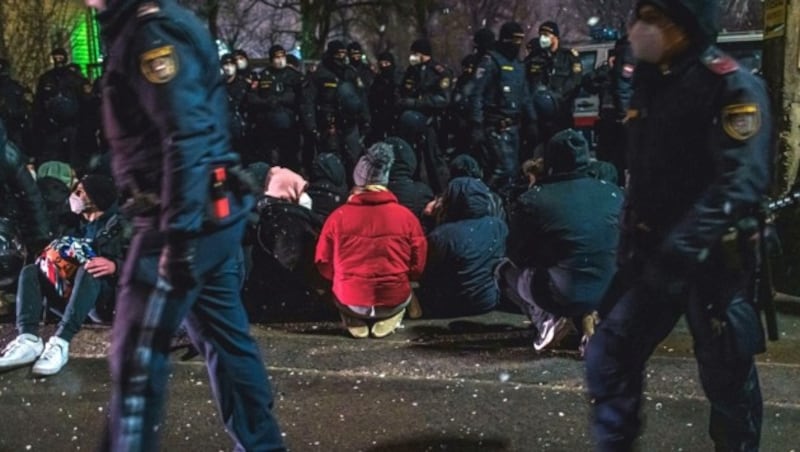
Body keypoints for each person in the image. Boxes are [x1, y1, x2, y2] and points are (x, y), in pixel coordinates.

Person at [89, 0, 285, 450]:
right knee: (224, 342)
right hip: (206, 214)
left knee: (136, 357)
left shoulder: (150, 33)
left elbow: (186, 135)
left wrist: (177, 239)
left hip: (179, 219)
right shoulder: (160, 23)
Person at [584, 1, 772, 450]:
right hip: (650, 259)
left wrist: (678, 249)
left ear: (686, 25)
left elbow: (738, 184)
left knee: (726, 379)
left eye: (655, 18)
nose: (641, 28)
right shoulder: (650, 81)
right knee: (609, 354)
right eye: (640, 16)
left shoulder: (729, 84)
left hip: (711, 261)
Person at [499, 129, 622, 352]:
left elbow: (516, 254)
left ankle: (547, 320)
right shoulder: (613, 193)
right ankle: (593, 321)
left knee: (504, 271)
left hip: (564, 292)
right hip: (610, 290)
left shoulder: (536, 198)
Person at [0, 175, 126, 376]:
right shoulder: (70, 224)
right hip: (70, 295)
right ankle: (28, 339)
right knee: (31, 271)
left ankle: (61, 343)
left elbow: (145, 265)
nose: (73, 196)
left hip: (105, 300)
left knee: (90, 269)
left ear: (95, 199)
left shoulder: (120, 227)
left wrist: (116, 266)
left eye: (79, 192)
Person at [315, 142, 427, 338]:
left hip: (350, 300)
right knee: (404, 294)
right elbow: (418, 265)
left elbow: (323, 263)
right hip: (393, 299)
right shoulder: (407, 217)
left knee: (342, 295)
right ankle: (391, 317)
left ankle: (352, 317)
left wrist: (343, 279)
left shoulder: (337, 217)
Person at [418, 176, 508, 317]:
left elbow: (427, 274)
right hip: (487, 301)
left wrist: (427, 220)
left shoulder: (442, 235)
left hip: (448, 305)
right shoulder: (498, 226)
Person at [470, 21, 537, 193]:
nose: (518, 44)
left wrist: (532, 121)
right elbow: (476, 93)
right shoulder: (491, 61)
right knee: (503, 169)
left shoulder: (518, 64)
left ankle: (505, 206)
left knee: (513, 172)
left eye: (521, 39)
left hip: (515, 126)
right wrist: (476, 124)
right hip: (496, 126)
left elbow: (525, 95)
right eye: (514, 39)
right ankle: (484, 199)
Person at [303, 40, 371, 181]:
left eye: (343, 54)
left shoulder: (350, 73)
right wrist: (312, 127)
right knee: (332, 163)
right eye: (338, 54)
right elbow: (308, 101)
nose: (342, 57)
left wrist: (366, 120)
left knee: (354, 160)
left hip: (350, 123)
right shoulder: (320, 75)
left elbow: (361, 98)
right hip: (328, 124)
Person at [396, 38, 452, 193]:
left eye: (415, 53)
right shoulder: (411, 71)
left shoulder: (439, 72)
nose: (412, 57)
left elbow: (443, 100)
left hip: (432, 123)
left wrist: (416, 103)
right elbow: (402, 93)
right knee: (411, 160)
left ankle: (440, 194)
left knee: (434, 161)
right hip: (411, 125)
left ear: (423, 54)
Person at [245, 45, 305, 170]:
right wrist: (265, 102)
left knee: (290, 159)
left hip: (289, 125)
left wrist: (282, 100)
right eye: (277, 57)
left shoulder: (294, 76)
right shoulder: (263, 76)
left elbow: (302, 98)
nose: (280, 60)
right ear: (271, 59)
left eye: (282, 56)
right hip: (268, 125)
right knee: (270, 160)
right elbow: (252, 97)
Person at [526, 20, 583, 141]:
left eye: (546, 35)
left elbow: (576, 81)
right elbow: (526, 82)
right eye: (540, 35)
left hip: (562, 114)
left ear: (555, 37)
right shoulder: (535, 57)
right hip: (540, 116)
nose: (542, 38)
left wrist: (556, 97)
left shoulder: (569, 57)